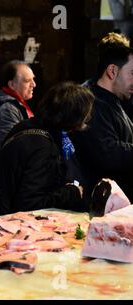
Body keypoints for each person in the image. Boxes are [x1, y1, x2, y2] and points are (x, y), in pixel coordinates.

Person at [0, 82, 94, 216]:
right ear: (73, 116)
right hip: (9, 225)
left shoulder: (26, 126)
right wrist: (72, 192)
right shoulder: (43, 146)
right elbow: (30, 204)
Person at [70, 32, 133, 201]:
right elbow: (108, 153)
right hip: (100, 208)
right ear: (112, 71)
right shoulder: (90, 102)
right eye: (132, 73)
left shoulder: (116, 98)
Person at [0, 60, 36, 200]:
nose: (33, 85)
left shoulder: (16, 106)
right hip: (4, 190)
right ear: (12, 84)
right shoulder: (7, 110)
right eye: (27, 81)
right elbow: (10, 153)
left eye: (33, 80)